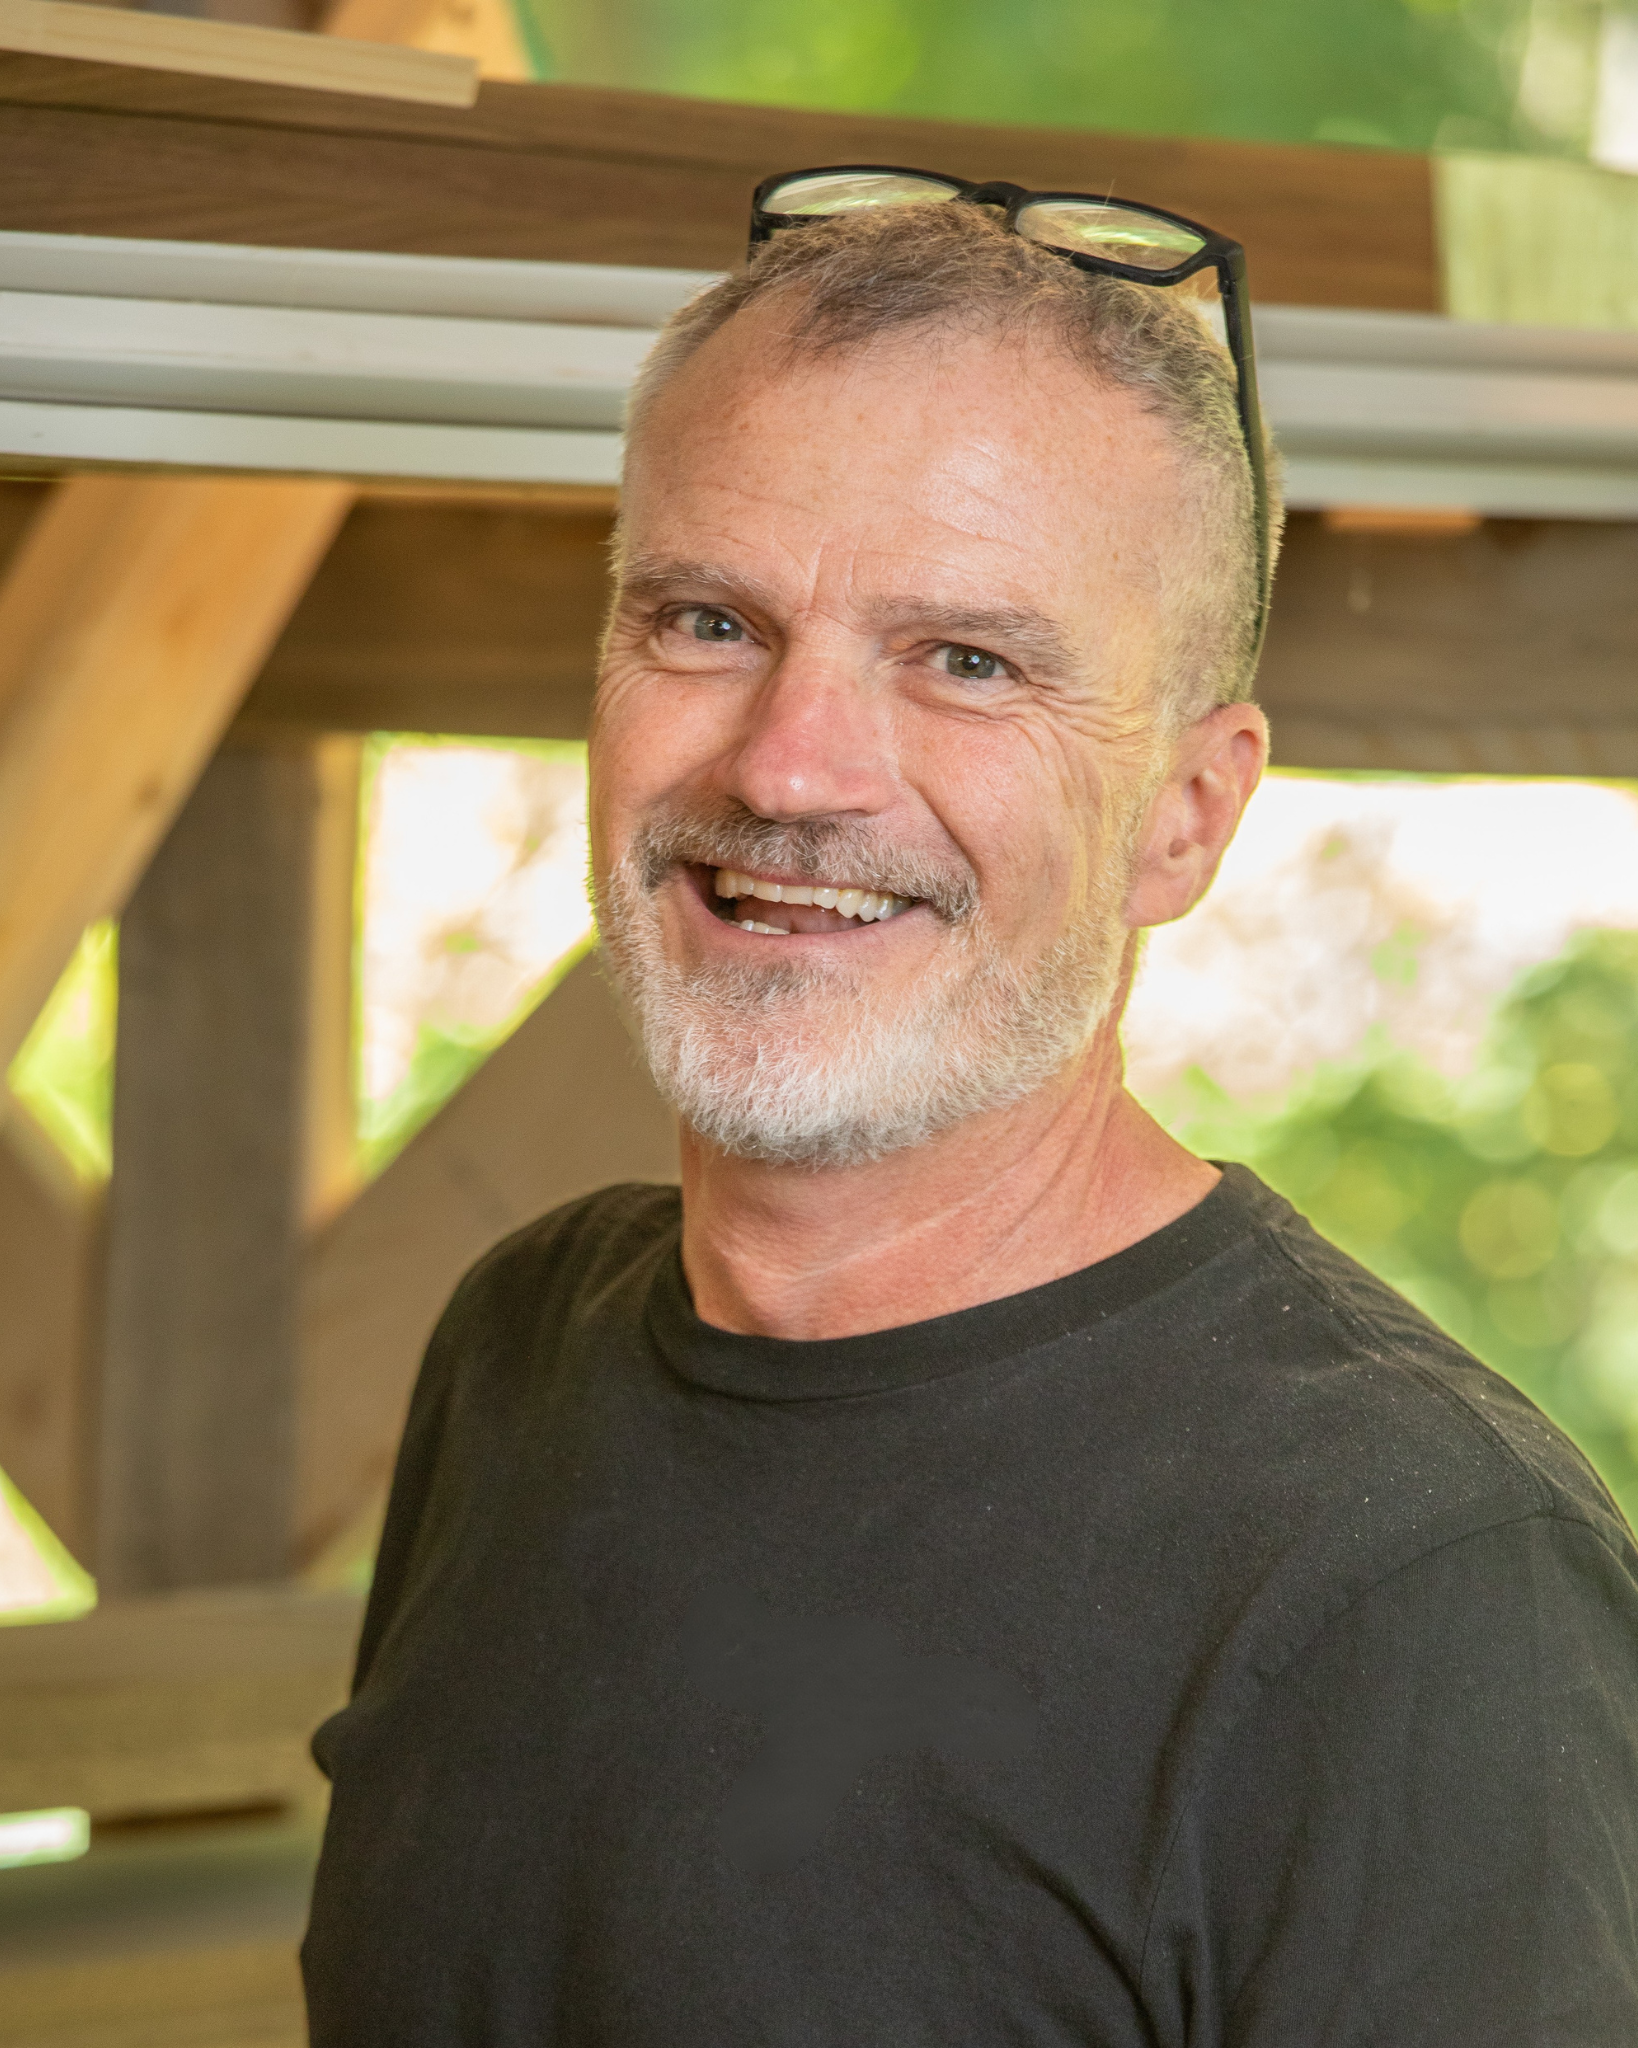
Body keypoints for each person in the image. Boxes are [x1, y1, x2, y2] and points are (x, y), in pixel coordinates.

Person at [302, 174, 1638, 2045]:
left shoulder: (1410, 1586)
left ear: (1184, 816)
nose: (791, 768)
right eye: (706, 621)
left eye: (968, 662)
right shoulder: (521, 1349)